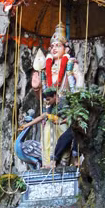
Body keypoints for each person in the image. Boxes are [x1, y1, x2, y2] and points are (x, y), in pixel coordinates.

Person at [27, 23, 83, 168]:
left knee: (65, 137)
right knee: (47, 138)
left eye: (58, 45)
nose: (54, 48)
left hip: (66, 110)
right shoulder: (46, 69)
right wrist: (36, 88)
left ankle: (64, 166)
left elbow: (79, 82)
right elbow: (43, 96)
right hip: (49, 112)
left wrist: (77, 92)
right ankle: (48, 165)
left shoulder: (71, 65)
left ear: (66, 48)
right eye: (52, 46)